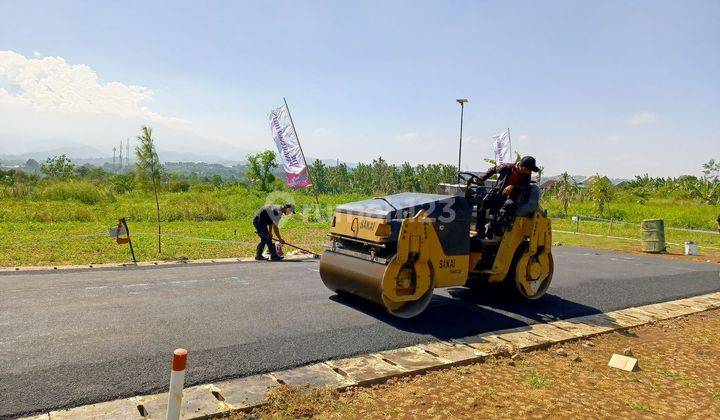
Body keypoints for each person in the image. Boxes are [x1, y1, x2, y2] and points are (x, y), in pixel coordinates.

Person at [476, 156, 540, 238]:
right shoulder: (507, 167)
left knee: (507, 207)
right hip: (498, 194)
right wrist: (482, 178)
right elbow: (493, 169)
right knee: (482, 203)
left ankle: (492, 229)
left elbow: (525, 186)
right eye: (529, 169)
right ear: (523, 168)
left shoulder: (527, 174)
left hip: (512, 197)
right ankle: (480, 232)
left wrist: (513, 186)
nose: (530, 171)